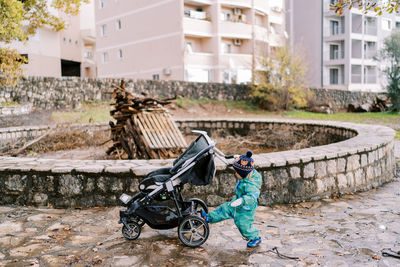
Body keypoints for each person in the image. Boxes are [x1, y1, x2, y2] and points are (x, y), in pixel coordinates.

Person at [201, 150, 262, 248]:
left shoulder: (251, 185)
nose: (235, 174)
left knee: (243, 225)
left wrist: (242, 200)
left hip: (246, 209)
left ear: (243, 174)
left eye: (237, 172)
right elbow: (245, 166)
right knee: (224, 209)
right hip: (237, 202)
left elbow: (252, 197)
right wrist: (237, 159)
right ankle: (208, 218)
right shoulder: (248, 172)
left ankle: (255, 238)